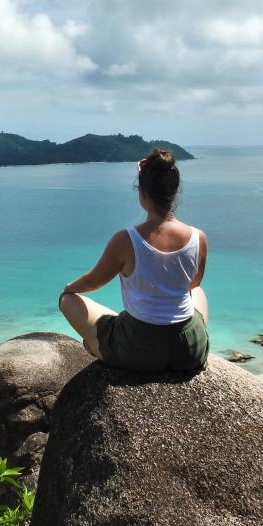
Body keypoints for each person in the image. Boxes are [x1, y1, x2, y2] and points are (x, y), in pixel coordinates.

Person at [58, 148, 209, 372]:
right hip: (188, 350)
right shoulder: (199, 238)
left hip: (138, 349)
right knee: (198, 293)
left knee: (66, 300)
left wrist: (69, 288)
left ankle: (96, 346)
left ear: (142, 194)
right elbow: (193, 284)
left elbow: (94, 282)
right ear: (175, 191)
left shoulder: (126, 239)